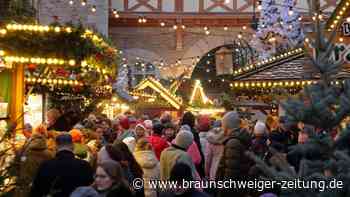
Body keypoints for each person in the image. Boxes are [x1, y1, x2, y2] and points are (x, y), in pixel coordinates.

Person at [30, 134, 94, 197]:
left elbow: (36, 191)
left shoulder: (46, 166)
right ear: (72, 146)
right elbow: (91, 190)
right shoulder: (84, 166)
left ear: (56, 147)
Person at [216, 111, 253, 197]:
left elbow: (231, 171)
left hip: (233, 190)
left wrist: (223, 192)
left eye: (223, 125)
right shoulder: (240, 138)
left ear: (227, 125)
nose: (222, 127)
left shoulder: (233, 142)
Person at [180, 112, 205, 178]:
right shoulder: (194, 132)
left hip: (181, 160)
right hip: (193, 161)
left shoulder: (178, 131)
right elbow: (198, 147)